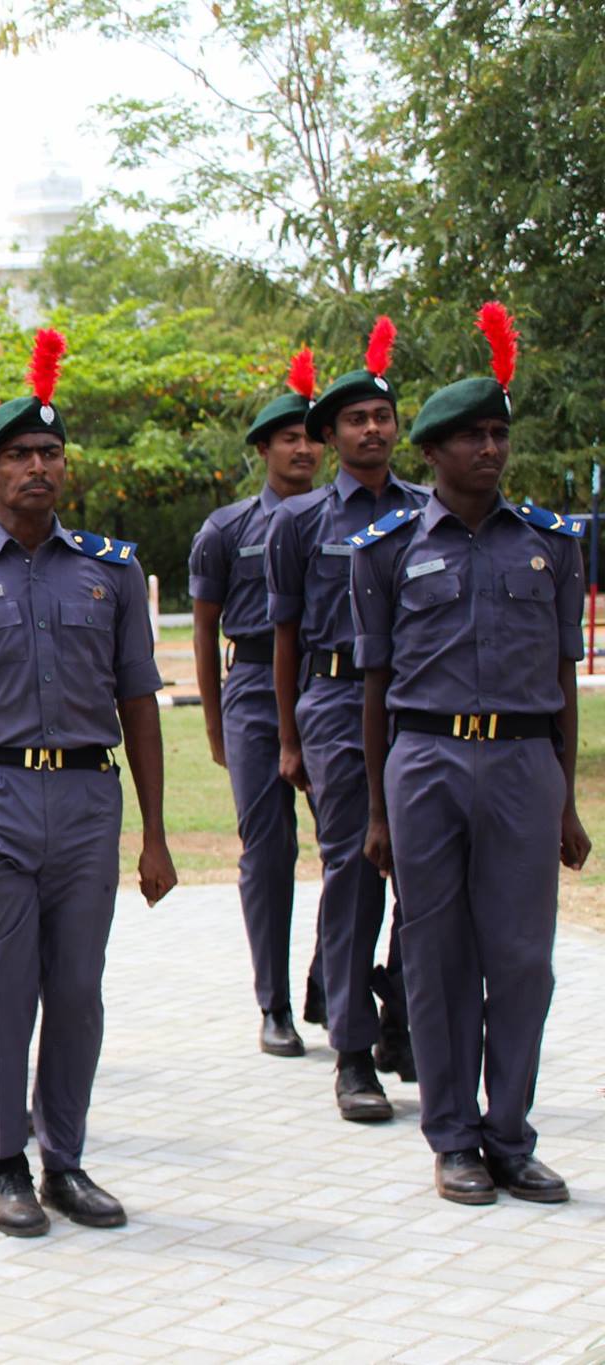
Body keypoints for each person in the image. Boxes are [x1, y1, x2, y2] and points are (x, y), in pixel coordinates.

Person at [0, 330, 177, 1237]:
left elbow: (140, 700)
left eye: (51, 454)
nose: (38, 468)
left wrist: (157, 832)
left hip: (90, 801)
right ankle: (6, 1160)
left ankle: (67, 1157)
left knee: (79, 986)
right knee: (0, 980)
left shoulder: (111, 571)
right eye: (19, 454)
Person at [352, 303, 589, 1205]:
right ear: (433, 452)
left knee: (523, 956)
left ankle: (510, 1133)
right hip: (428, 762)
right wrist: (376, 808)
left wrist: (567, 801)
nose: (490, 449)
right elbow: (375, 687)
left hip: (526, 765)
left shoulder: (550, 548)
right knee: (439, 952)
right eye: (470, 437)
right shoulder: (385, 552)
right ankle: (452, 1135)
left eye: (498, 434)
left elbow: (564, 684)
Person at [265, 318, 424, 1122]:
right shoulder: (297, 523)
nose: (372, 429)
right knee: (356, 866)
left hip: (417, 708)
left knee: (426, 868)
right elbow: (283, 635)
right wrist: (290, 735)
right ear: (330, 436)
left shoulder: (429, 511)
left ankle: (403, 1009)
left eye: (382, 417)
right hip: (332, 703)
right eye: (355, 420)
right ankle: (352, 1052)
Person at [189, 352, 325, 1057]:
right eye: (289, 438)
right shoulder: (227, 529)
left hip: (327, 689)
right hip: (251, 696)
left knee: (356, 843)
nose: (304, 449)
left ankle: (329, 976)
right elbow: (206, 632)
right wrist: (216, 727)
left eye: (311, 437)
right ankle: (273, 1004)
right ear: (265, 449)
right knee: (268, 852)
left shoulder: (345, 522)